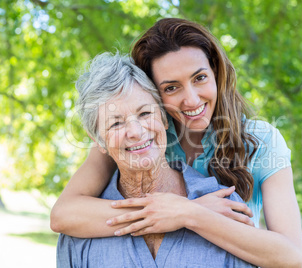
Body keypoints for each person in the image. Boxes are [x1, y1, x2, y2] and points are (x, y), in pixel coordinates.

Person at [51, 18, 302, 267]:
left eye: (200, 78)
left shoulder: (261, 141)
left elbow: (291, 256)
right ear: (154, 93)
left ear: (215, 73)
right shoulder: (143, 136)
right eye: (172, 88)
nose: (192, 100)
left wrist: (188, 213)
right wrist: (166, 213)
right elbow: (64, 214)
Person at [57, 51, 255, 267]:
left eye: (145, 114)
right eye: (116, 124)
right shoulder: (78, 228)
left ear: (164, 118)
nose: (135, 131)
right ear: (98, 141)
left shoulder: (223, 207)